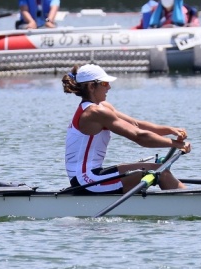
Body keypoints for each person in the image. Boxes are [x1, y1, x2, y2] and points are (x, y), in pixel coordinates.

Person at [63, 64, 191, 193]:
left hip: (92, 175)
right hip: (86, 180)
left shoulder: (103, 107)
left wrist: (170, 130)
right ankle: (191, 202)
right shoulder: (95, 112)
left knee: (159, 168)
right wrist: (176, 144)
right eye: (104, 84)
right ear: (91, 87)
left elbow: (135, 124)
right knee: (160, 172)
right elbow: (139, 137)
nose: (109, 87)